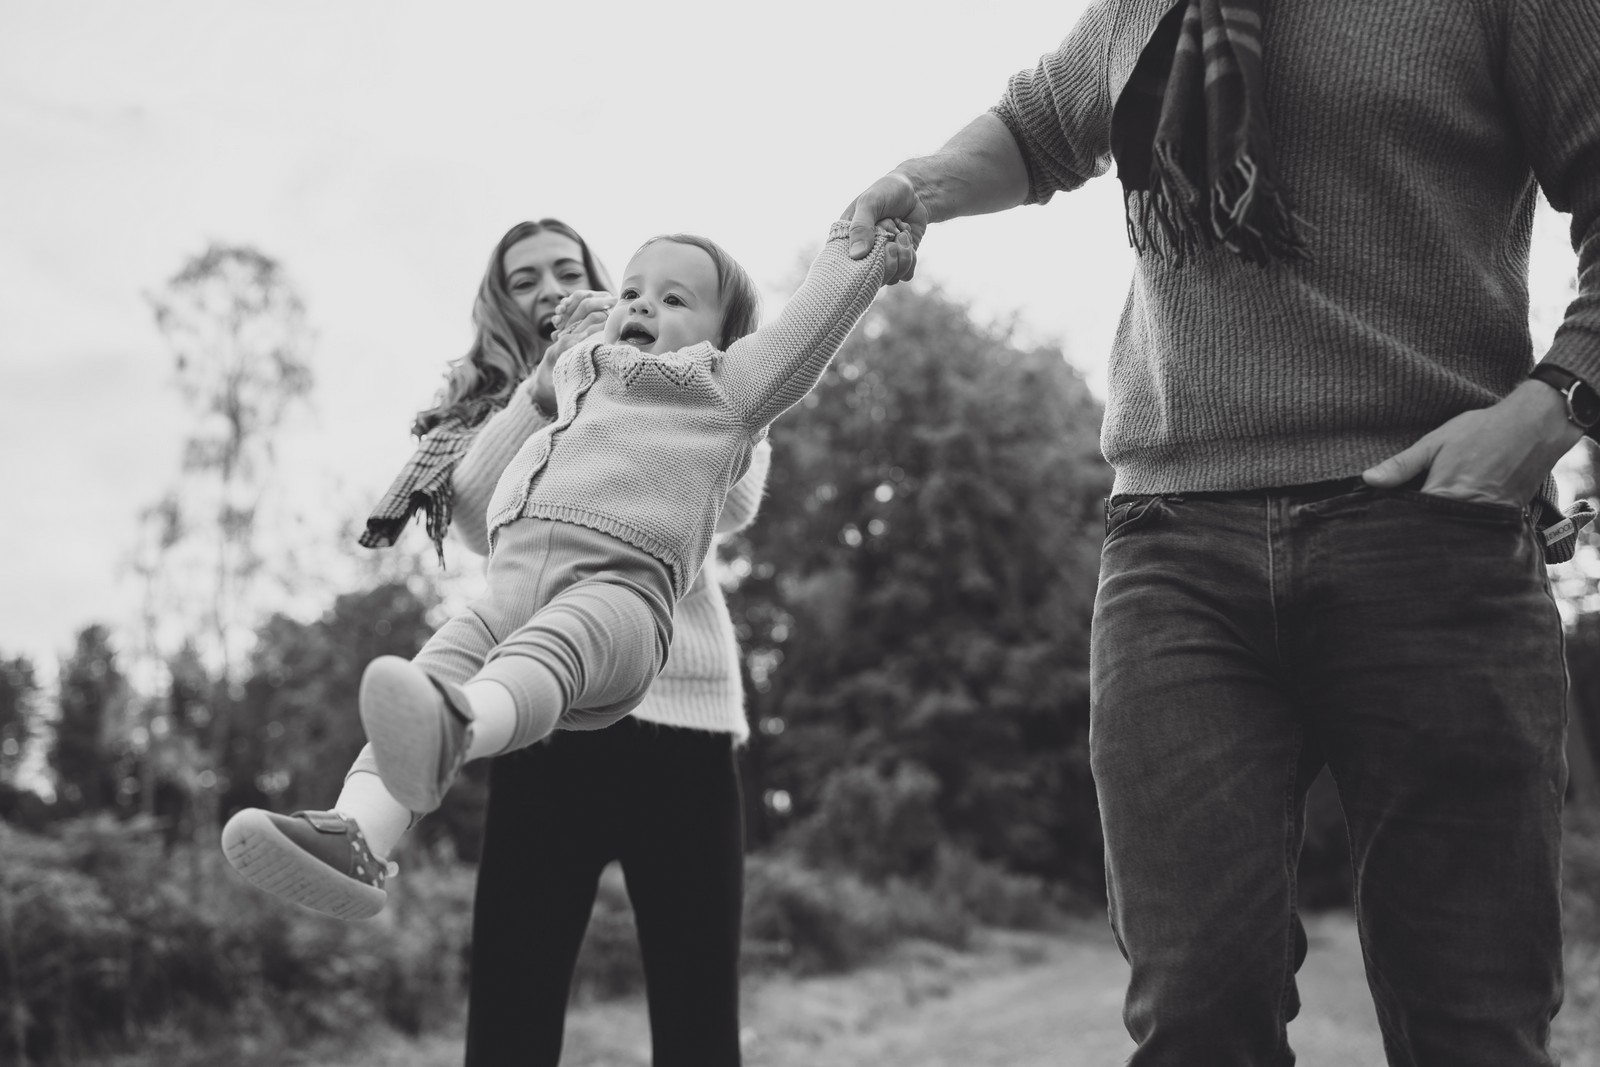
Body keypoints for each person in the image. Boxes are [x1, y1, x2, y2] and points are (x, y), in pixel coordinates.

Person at [844, 1, 1600, 1064]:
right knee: (1194, 1010)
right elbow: (1038, 128)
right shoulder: (1143, 7)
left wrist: (1549, 404)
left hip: (1430, 530)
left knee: (1470, 1016)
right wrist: (918, 188)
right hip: (1173, 549)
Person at [219, 218, 771, 1065]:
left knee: (698, 1010)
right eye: (523, 279)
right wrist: (545, 391)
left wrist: (653, 380)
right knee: (513, 999)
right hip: (534, 717)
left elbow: (731, 503)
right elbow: (475, 515)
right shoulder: (509, 402)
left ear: (599, 280)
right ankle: (355, 824)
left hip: (683, 719)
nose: (548, 288)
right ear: (502, 303)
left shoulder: (683, 369)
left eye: (564, 269)